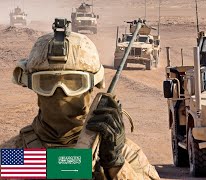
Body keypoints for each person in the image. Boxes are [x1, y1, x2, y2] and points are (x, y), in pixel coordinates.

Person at [10, 18, 160, 180]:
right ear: (31, 85)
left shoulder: (126, 155)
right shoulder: (16, 153)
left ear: (94, 84)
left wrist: (116, 166)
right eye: (47, 83)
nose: (60, 92)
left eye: (74, 83)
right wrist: (78, 164)